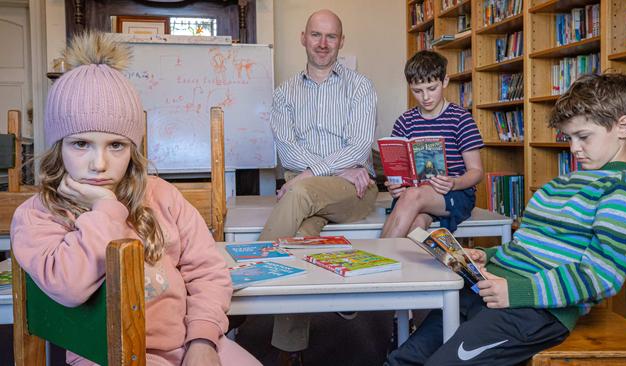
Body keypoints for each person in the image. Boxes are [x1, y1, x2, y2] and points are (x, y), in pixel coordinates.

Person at [10, 32, 261, 366]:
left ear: (132, 149)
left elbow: (208, 272)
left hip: (187, 343)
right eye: (81, 144)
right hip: (105, 356)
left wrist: (203, 339)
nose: (98, 164)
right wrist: (105, 209)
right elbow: (70, 287)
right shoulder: (37, 215)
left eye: (116, 146)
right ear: (59, 146)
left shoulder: (162, 195)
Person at [385, 73, 626, 366]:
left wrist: (516, 291)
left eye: (584, 137)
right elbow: (527, 247)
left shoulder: (623, 193)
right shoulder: (558, 186)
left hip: (535, 307)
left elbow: (601, 276)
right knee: (403, 358)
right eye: (569, 138)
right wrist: (485, 256)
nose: (574, 149)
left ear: (623, 127)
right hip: (489, 286)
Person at [258, 9, 378, 366]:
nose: (323, 44)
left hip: (352, 191)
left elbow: (359, 147)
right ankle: (289, 349)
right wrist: (333, 170)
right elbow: (287, 148)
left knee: (298, 192)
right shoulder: (284, 94)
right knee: (298, 234)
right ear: (303, 37)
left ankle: (241, 280)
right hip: (326, 182)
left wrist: (309, 174)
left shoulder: (360, 86)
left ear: (342, 41)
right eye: (316, 35)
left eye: (331, 36)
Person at [381, 50, 484, 238]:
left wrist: (454, 182)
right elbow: (396, 172)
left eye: (432, 88)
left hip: (454, 193)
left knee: (413, 195)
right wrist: (394, 185)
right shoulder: (405, 121)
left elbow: (476, 171)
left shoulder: (461, 119)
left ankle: (378, 260)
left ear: (445, 81)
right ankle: (406, 266)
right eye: (417, 91)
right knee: (417, 222)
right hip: (414, 197)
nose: (425, 97)